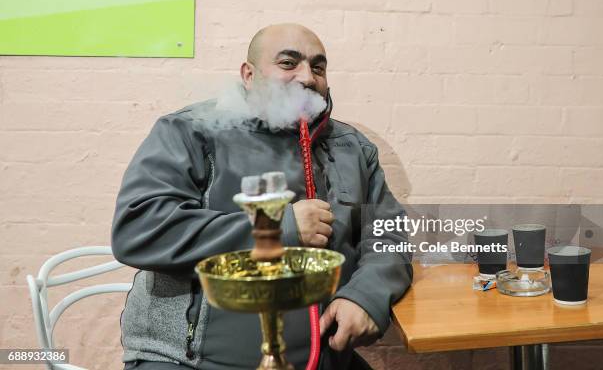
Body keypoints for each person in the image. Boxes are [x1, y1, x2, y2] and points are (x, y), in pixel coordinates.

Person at [111, 23, 412, 370]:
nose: (307, 78)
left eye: (318, 67)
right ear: (249, 75)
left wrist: (366, 297)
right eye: (288, 63)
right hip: (188, 362)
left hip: (325, 359)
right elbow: (139, 229)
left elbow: (390, 236)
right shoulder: (190, 131)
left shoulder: (353, 149)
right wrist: (277, 228)